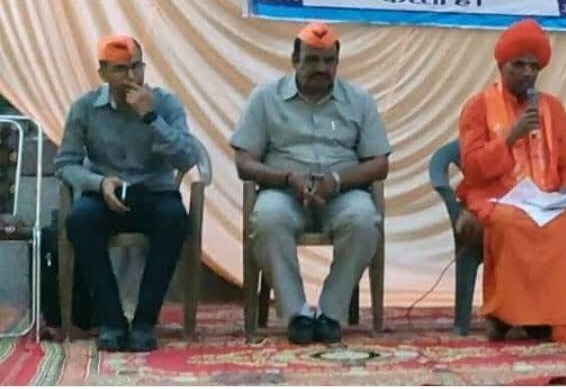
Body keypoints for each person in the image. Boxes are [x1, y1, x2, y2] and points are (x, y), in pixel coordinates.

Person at [230, 22, 390, 345]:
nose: (321, 68)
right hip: (283, 192)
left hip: (342, 193)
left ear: (337, 63)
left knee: (364, 219)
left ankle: (330, 313)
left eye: (329, 61)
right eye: (312, 60)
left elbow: (379, 163)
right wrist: (287, 178)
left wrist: (336, 181)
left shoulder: (360, 101)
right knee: (268, 219)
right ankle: (298, 314)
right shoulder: (265, 98)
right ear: (294, 60)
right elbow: (244, 162)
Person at [55, 34, 198, 352]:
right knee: (80, 220)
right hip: (106, 193)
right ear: (103, 73)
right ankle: (112, 321)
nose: (132, 77)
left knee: (175, 219)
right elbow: (65, 164)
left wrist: (151, 118)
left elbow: (188, 158)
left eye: (137, 67)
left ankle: (145, 322)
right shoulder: (85, 108)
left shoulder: (165, 104)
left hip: (154, 193)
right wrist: (99, 183)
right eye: (121, 69)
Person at [456, 18, 566, 342]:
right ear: (501, 66)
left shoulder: (553, 109)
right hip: (496, 197)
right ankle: (505, 315)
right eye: (519, 65)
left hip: (545, 199)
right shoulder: (477, 107)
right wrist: (509, 136)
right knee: (511, 222)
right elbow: (473, 168)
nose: (528, 73)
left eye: (534, 67)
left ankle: (551, 317)